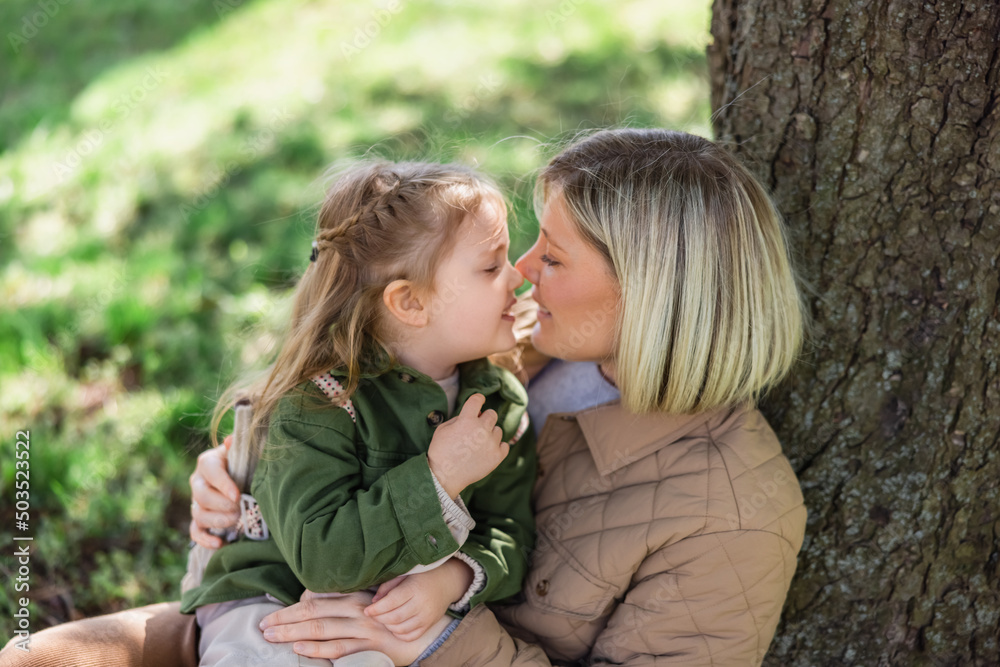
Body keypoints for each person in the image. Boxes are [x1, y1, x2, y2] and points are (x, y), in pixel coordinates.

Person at [1, 128, 807, 666]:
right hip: (273, 609)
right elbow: (342, 382)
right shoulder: (510, 346)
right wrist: (243, 466)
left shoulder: (735, 511)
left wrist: (434, 630)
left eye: (552, 256)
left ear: (653, 292)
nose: (522, 271)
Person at [179, 161, 536, 666]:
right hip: (271, 594)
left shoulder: (500, 404)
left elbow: (510, 531)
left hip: (386, 607)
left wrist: (454, 577)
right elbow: (321, 559)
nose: (517, 276)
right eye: (491, 266)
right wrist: (438, 480)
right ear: (410, 302)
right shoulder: (320, 399)